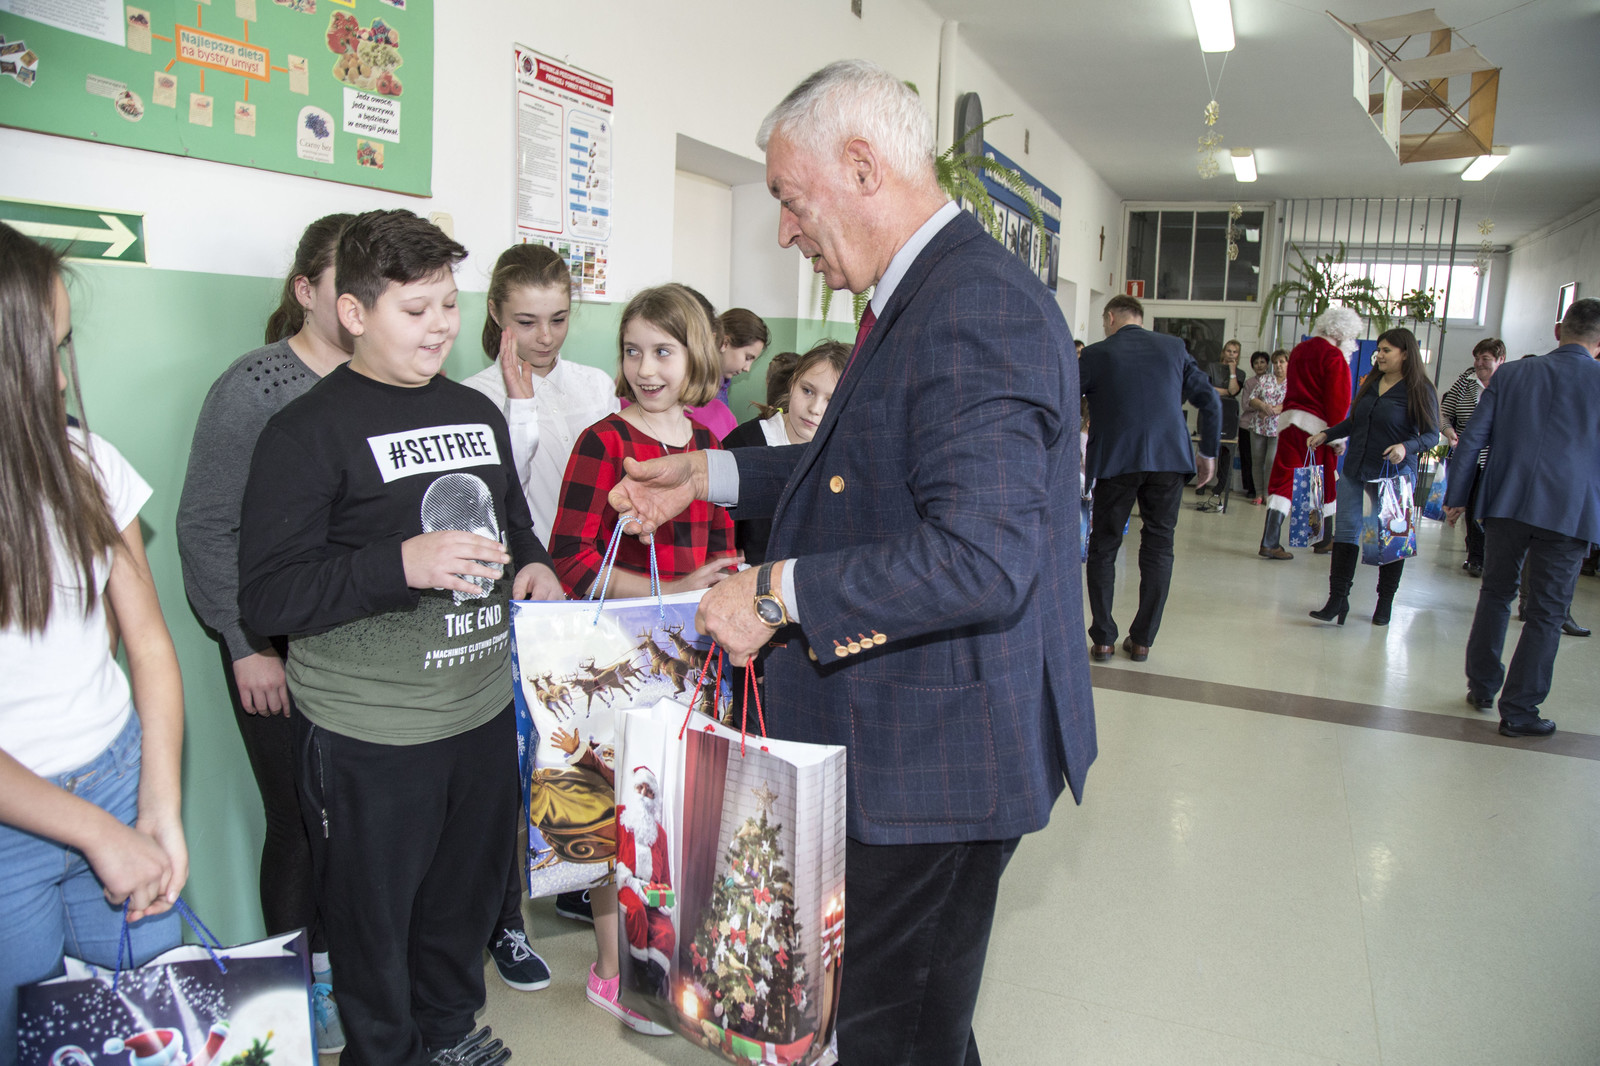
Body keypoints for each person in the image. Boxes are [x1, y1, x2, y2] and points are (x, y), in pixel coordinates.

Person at [606, 60, 1097, 1066]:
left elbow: (980, 557)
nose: (786, 230)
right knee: (907, 1017)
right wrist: (708, 472)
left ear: (864, 168)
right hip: (913, 736)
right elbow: (859, 466)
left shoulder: (972, 308)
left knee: (891, 1031)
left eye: (791, 199)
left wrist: (774, 592)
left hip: (938, 760)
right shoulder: (921, 292)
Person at [238, 209, 563, 1066]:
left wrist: (533, 565)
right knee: (373, 925)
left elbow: (513, 523)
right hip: (371, 731)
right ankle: (383, 1055)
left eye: (448, 305)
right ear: (353, 312)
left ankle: (448, 1035)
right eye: (416, 310)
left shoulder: (474, 410)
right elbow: (269, 594)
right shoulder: (305, 433)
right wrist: (401, 564)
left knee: (462, 903)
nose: (440, 327)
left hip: (479, 712)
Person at [1, 224, 187, 1056]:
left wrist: (158, 807)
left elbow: (147, 644)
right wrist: (98, 834)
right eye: (40, 350)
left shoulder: (87, 461)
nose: (60, 376)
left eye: (63, 346)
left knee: (156, 1020)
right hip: (14, 825)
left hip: (117, 776)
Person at [175, 214, 352, 1054]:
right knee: (299, 822)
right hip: (271, 642)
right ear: (307, 290)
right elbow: (205, 526)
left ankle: (353, 968)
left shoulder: (383, 380)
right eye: (345, 284)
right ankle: (298, 990)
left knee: (354, 822)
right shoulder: (254, 386)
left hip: (357, 644)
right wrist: (245, 644)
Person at [547, 283, 739, 1037]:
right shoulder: (602, 442)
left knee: (675, 813)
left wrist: (718, 583)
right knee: (613, 815)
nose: (647, 368)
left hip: (695, 658)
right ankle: (612, 968)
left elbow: (721, 549)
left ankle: (668, 955)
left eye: (663, 351)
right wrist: (669, 590)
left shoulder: (711, 448)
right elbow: (571, 559)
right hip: (617, 661)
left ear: (697, 356)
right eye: (633, 351)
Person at [461, 245, 621, 940]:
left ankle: (580, 883)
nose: (545, 336)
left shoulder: (593, 384)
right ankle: (504, 918)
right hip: (517, 593)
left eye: (558, 318)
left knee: (583, 747)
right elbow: (504, 498)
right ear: (497, 314)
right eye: (526, 321)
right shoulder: (472, 395)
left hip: (586, 587)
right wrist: (520, 405)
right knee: (512, 758)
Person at [1444, 298, 1600, 737]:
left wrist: (1457, 497)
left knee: (1496, 593)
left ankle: (1481, 685)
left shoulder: (1512, 374)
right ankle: (1519, 710)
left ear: (1558, 330)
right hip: (1569, 512)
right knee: (1547, 612)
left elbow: (1473, 437)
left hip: (1507, 502)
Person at [1080, 294, 1220, 662]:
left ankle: (1103, 639)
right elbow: (1210, 400)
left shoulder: (1096, 354)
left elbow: (1063, 400)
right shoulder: (1174, 348)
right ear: (1140, 318)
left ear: (1111, 317)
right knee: (1159, 545)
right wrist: (1208, 453)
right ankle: (1142, 640)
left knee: (1104, 546)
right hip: (1169, 459)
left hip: (1116, 461)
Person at [1306, 328, 1439, 626]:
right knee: (1346, 533)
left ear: (1406, 354)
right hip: (1356, 470)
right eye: (1379, 349)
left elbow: (1432, 435)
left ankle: (1385, 602)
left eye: (1386, 350)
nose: (1379, 355)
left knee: (1390, 539)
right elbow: (1355, 421)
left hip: (1393, 476)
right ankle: (1338, 599)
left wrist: (1406, 447)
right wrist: (1327, 434)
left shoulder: (1420, 388)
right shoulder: (1371, 382)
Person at [721, 338, 847, 564]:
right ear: (793, 382)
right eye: (807, 391)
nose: (815, 409)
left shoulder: (847, 456)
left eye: (832, 401)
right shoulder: (744, 443)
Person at [1259, 307, 1360, 560]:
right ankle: (1323, 539)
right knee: (1324, 480)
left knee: (1284, 479)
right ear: (1344, 334)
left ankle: (1270, 540)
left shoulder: (1299, 350)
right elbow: (1338, 400)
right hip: (1318, 430)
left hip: (1289, 423)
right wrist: (1337, 437)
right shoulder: (1334, 356)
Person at [1439, 337, 1506, 577]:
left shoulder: (1508, 384)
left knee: (1487, 507)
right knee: (1472, 505)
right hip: (1468, 456)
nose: (1479, 363)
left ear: (1500, 360)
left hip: (1496, 459)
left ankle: (1485, 555)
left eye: (1485, 359)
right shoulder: (1465, 381)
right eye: (1476, 358)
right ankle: (1476, 557)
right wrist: (1449, 431)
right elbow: (1444, 413)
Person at [615, 765, 673, 1000]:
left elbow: (665, 878)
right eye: (640, 788)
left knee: (667, 931)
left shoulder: (660, 835)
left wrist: (666, 899)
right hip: (627, 884)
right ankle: (640, 972)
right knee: (636, 910)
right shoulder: (620, 816)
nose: (643, 795)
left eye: (649, 791)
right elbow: (612, 857)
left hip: (651, 892)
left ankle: (651, 983)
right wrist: (630, 881)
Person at [1195, 338, 1244, 502]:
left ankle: (1220, 486)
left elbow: (1234, 390)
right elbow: (1207, 388)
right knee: (1205, 448)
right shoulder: (1211, 367)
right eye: (1229, 351)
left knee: (1225, 451)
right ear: (1223, 352)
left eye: (1235, 352)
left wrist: (1232, 371)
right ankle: (1201, 483)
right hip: (1209, 411)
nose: (1231, 354)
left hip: (1228, 415)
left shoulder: (1240, 373)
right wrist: (1227, 392)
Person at [1242, 349, 1287, 506]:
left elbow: (1292, 403)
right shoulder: (1265, 379)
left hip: (1278, 428)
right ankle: (1259, 493)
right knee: (1257, 461)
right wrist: (1262, 406)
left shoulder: (1293, 382)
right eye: (1275, 362)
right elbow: (1252, 399)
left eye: (1282, 362)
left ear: (1288, 363)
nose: (1278, 365)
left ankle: (1268, 493)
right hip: (1259, 425)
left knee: (1271, 461)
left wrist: (1272, 410)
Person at [1236, 350, 1270, 501]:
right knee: (1248, 458)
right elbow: (1245, 405)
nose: (1259, 365)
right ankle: (1251, 488)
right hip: (1247, 425)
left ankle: (1263, 490)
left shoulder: (1273, 381)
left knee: (1264, 459)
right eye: (1256, 363)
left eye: (1262, 362)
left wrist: (1261, 405)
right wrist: (1261, 406)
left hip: (1266, 426)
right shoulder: (1249, 383)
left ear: (1267, 364)